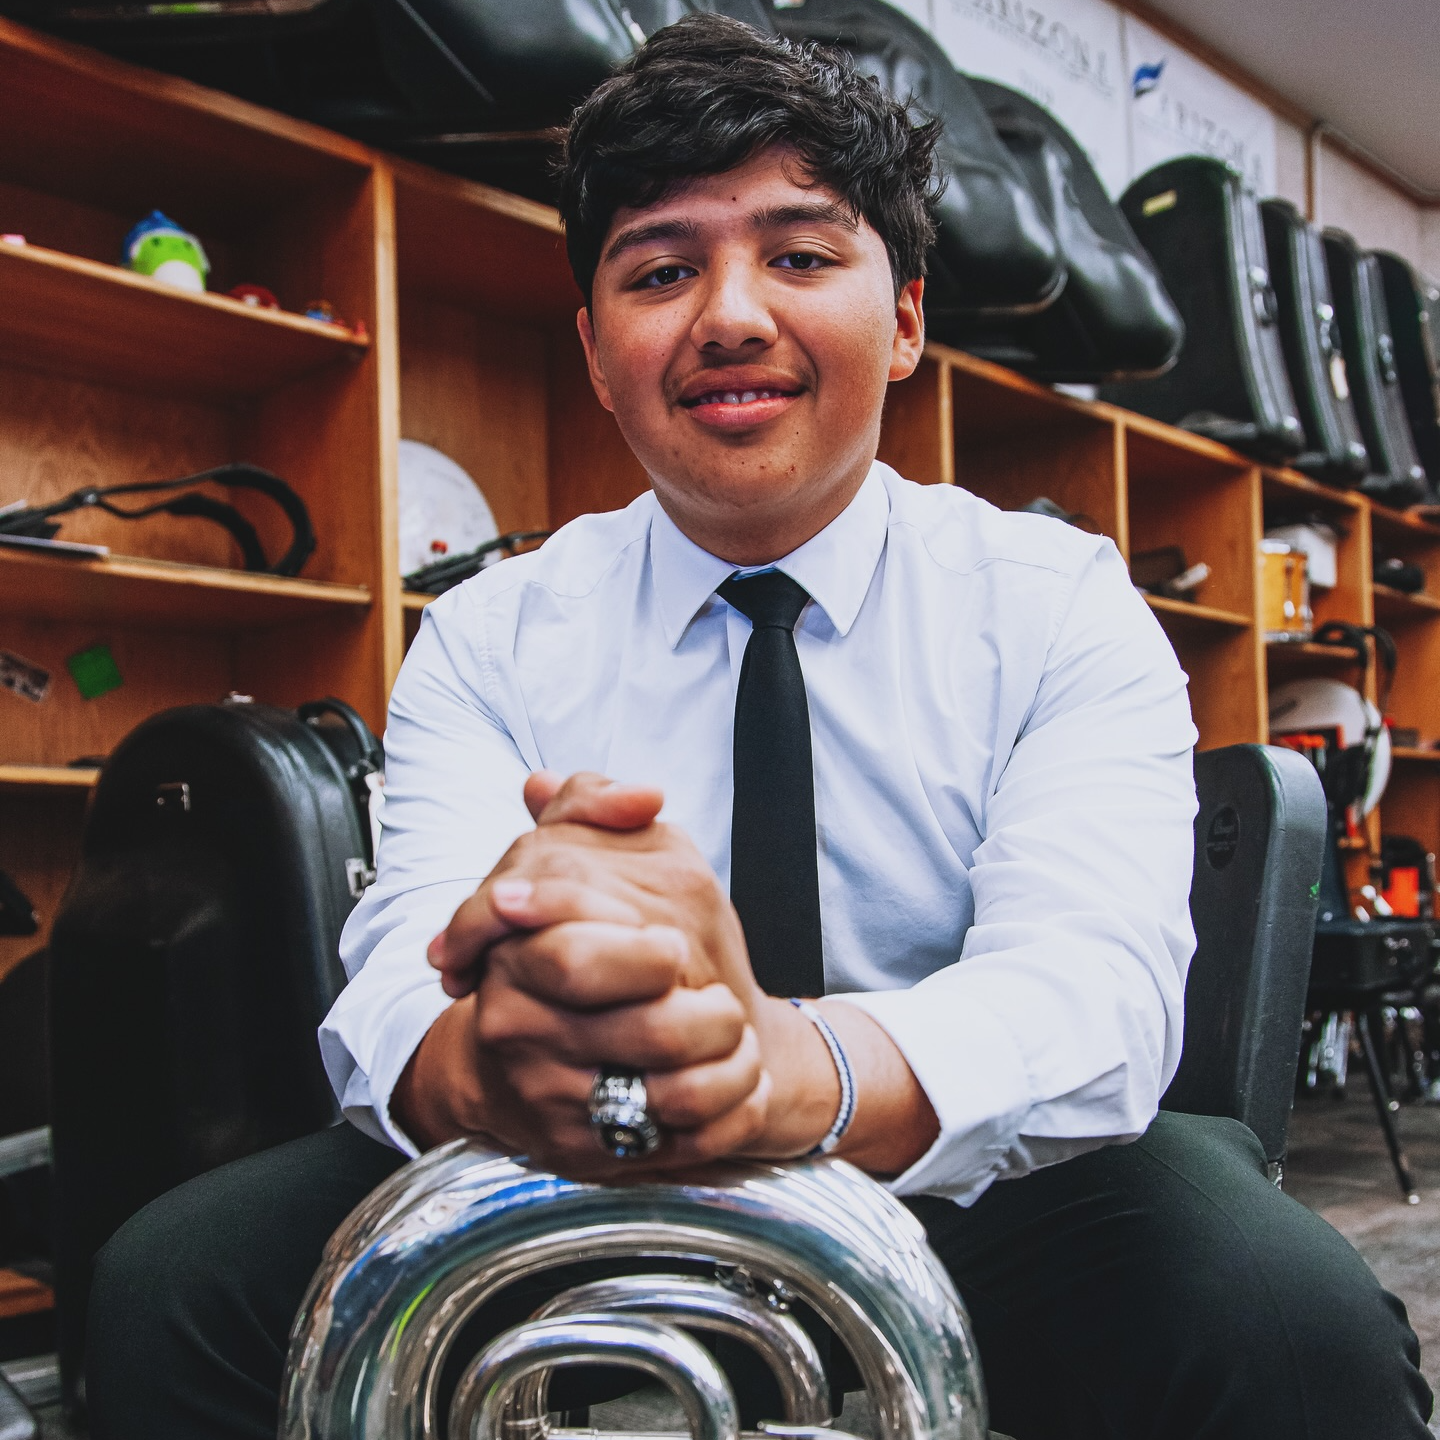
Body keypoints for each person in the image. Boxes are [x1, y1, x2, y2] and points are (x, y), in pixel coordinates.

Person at [88, 15, 1431, 1440]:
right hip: (574, 1170)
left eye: (800, 255)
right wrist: (481, 1060)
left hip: (966, 1184)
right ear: (600, 353)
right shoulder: (491, 631)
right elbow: (402, 978)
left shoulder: (1059, 601)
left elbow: (1090, 993)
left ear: (906, 316)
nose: (731, 314)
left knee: (1285, 1318)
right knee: (175, 1285)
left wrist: (787, 1068)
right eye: (663, 271)